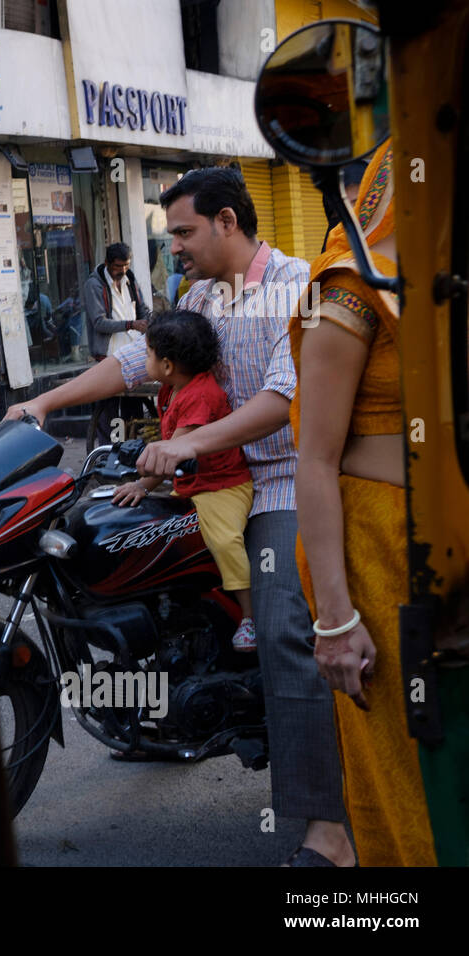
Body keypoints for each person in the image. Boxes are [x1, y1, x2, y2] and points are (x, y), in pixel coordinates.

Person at [5, 167, 354, 867]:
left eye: (186, 232)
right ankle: (160, 711)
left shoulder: (294, 287)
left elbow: (287, 398)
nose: (177, 247)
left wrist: (184, 443)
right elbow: (137, 360)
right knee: (111, 546)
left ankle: (330, 833)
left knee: (286, 626)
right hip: (206, 477)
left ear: (228, 222)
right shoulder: (198, 295)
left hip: (280, 482)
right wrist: (42, 403)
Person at [291, 142, 438, 866]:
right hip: (380, 564)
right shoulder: (343, 286)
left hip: (447, 560)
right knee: (402, 776)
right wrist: (337, 621)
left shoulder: (439, 278)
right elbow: (312, 461)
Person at [112, 311, 257, 651]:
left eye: (147, 353)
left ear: (166, 365)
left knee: (224, 540)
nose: (143, 358)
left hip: (222, 486)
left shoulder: (198, 395)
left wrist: (140, 484)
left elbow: (173, 453)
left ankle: (250, 618)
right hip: (193, 484)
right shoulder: (172, 388)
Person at [83, 242, 152, 449]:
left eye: (126, 266)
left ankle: (134, 453)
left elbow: (143, 310)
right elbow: (99, 322)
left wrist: (150, 322)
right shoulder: (94, 285)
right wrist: (131, 324)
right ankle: (109, 456)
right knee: (110, 415)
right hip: (108, 358)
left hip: (132, 356)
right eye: (118, 267)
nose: (122, 271)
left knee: (134, 412)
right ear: (107, 263)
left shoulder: (129, 278)